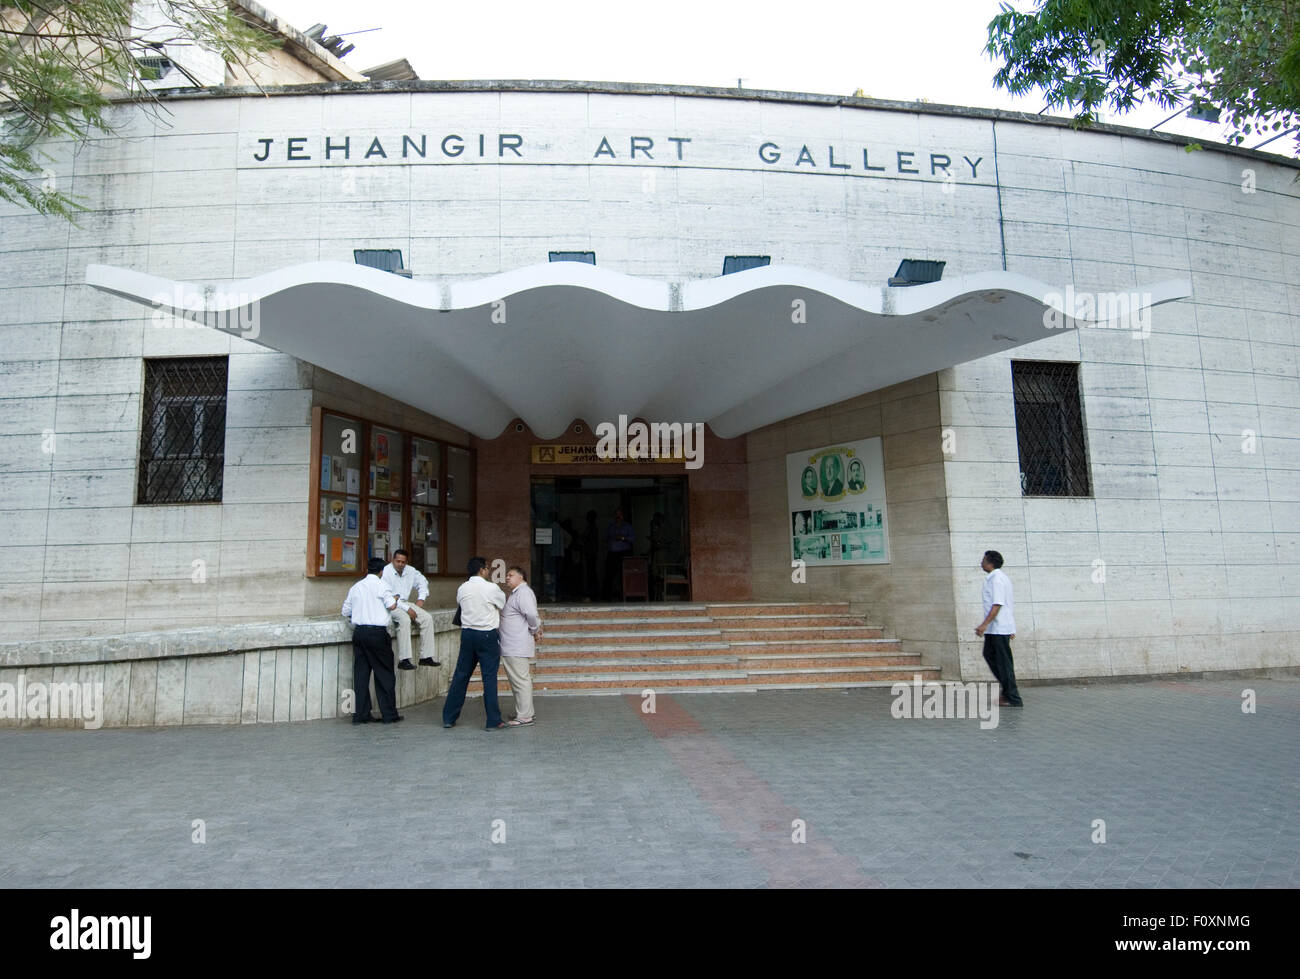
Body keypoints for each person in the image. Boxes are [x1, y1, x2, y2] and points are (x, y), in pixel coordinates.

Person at [442, 556, 510, 730]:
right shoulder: (491, 588)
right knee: (489, 677)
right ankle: (493, 720)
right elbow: (502, 603)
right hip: (487, 635)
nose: (488, 571)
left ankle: (449, 717)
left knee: (461, 675)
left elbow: (461, 604)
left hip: (467, 634)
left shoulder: (462, 588)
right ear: (482, 569)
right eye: (487, 568)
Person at [341, 557, 403, 724]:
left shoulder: (356, 587)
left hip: (359, 633)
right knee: (384, 674)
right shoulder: (383, 586)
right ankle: (389, 715)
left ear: (367, 570)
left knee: (361, 675)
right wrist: (395, 598)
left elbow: (345, 610)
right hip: (377, 634)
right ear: (382, 571)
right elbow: (391, 606)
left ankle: (360, 715)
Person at [975, 549, 1022, 707]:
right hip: (996, 628)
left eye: (983, 560)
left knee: (1003, 663)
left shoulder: (997, 579)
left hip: (999, 628)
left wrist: (984, 624)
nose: (981, 562)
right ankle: (1008, 692)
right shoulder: (995, 578)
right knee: (990, 655)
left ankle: (1013, 697)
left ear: (990, 563)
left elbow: (998, 604)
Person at [382, 549, 440, 670]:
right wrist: (408, 609)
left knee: (427, 618)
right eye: (398, 561)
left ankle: (426, 657)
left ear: (406, 562)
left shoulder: (410, 570)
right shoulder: (386, 572)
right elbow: (388, 597)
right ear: (393, 560)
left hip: (405, 602)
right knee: (404, 620)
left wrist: (421, 599)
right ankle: (404, 659)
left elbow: (423, 582)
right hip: (391, 604)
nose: (400, 564)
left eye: (403, 562)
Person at [500, 565, 542, 726]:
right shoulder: (517, 593)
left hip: (516, 644)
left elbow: (531, 614)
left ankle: (525, 716)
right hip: (512, 644)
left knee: (520, 681)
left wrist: (534, 629)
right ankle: (524, 712)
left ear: (521, 577)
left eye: (511, 575)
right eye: (507, 576)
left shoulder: (523, 592)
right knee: (517, 680)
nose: (507, 578)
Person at [603, 507, 635, 600]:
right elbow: (605, 539)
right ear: (614, 516)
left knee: (625, 574)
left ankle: (627, 596)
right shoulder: (610, 527)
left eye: (620, 514)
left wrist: (623, 538)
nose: (618, 516)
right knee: (609, 574)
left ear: (623, 516)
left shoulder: (628, 526)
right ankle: (607, 597)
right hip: (612, 553)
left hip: (624, 553)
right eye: (616, 514)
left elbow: (633, 539)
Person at [581, 509, 600, 601]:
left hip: (590, 554)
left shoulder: (591, 528)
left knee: (591, 574)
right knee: (591, 573)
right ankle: (593, 593)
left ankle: (592, 594)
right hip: (591, 553)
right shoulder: (592, 527)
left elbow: (585, 538)